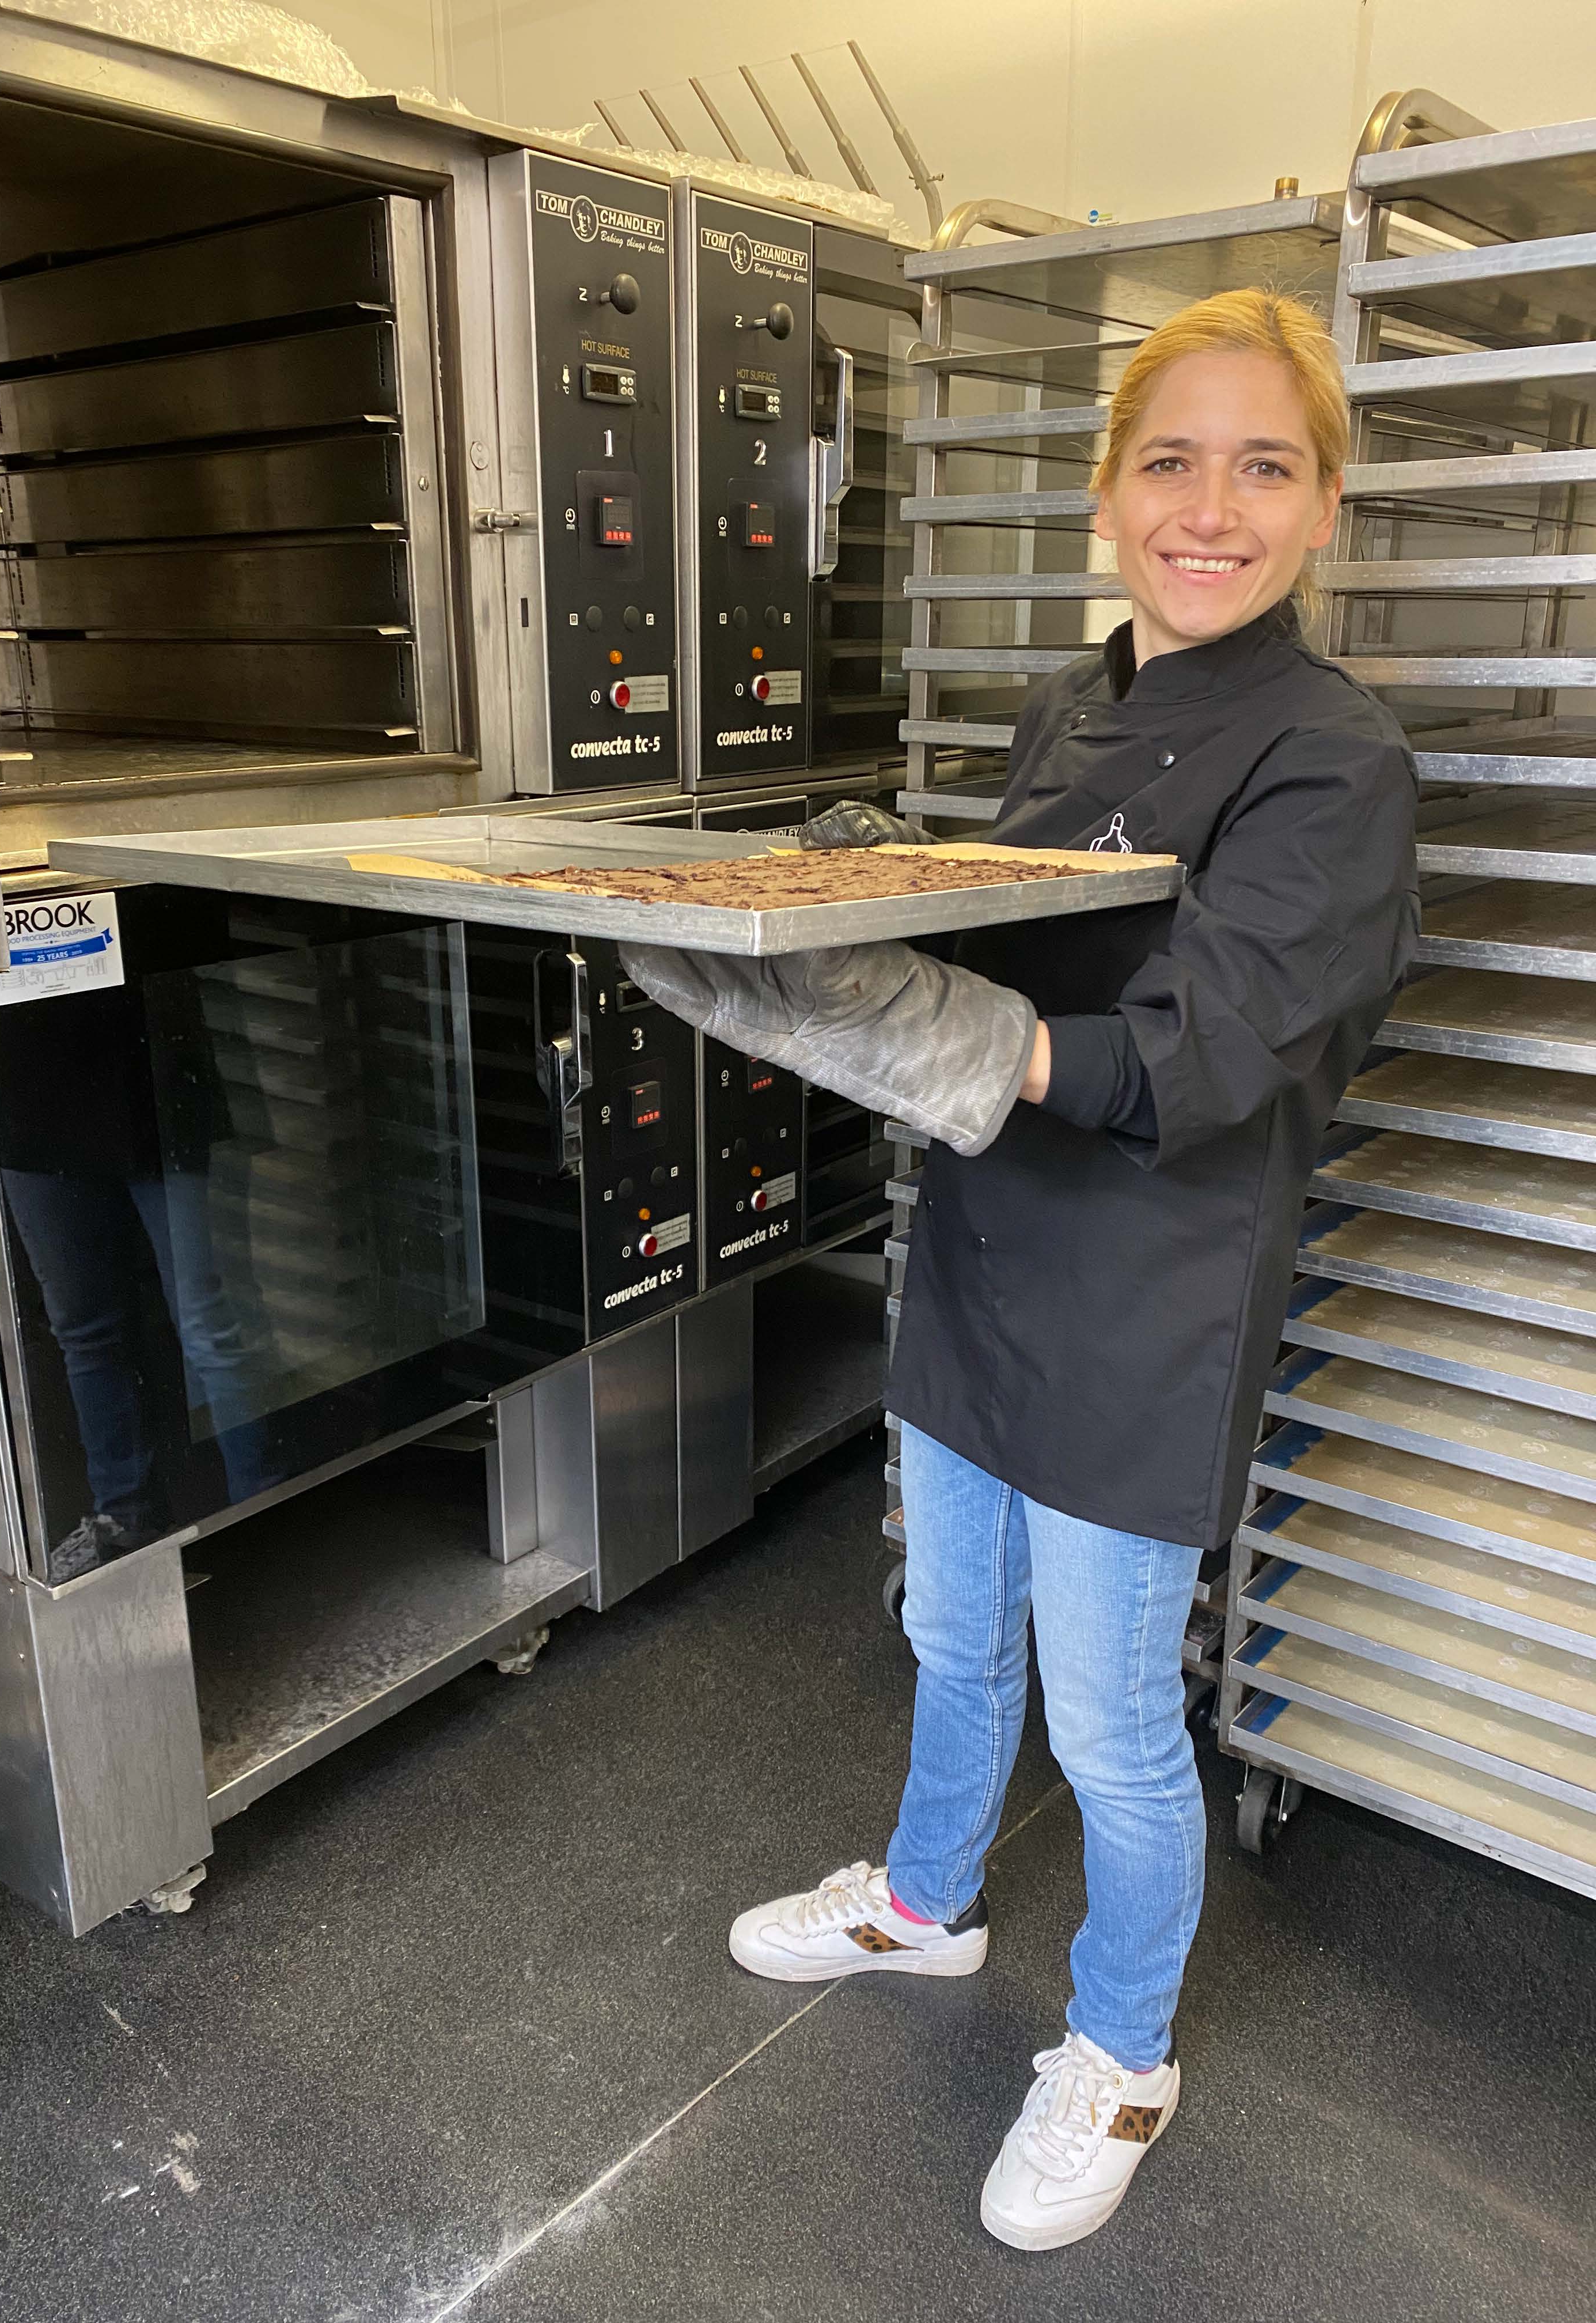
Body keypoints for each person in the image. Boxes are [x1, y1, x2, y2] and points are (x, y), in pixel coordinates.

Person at [621, 288, 1419, 2252]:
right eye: (1170, 459)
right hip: (988, 1248)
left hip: (1148, 1290)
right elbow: (1016, 934)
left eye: (1265, 467)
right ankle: (923, 1903)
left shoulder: (1335, 760)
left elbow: (1208, 1059)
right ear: (1104, 494)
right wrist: (864, 921)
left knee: (1115, 1724)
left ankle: (1125, 2048)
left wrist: (929, 1040)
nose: (1209, 508)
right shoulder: (1075, 704)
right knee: (953, 1636)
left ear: (1323, 509)